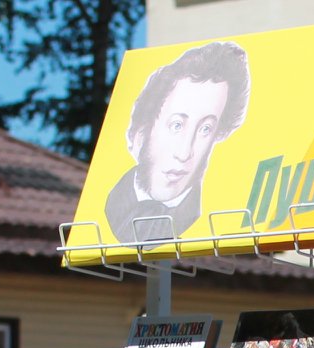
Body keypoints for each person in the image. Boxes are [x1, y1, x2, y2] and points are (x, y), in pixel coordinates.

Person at [104, 41, 251, 244]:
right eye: (176, 125)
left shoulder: (207, 219)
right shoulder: (110, 206)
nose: (184, 153)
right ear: (140, 134)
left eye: (205, 129)